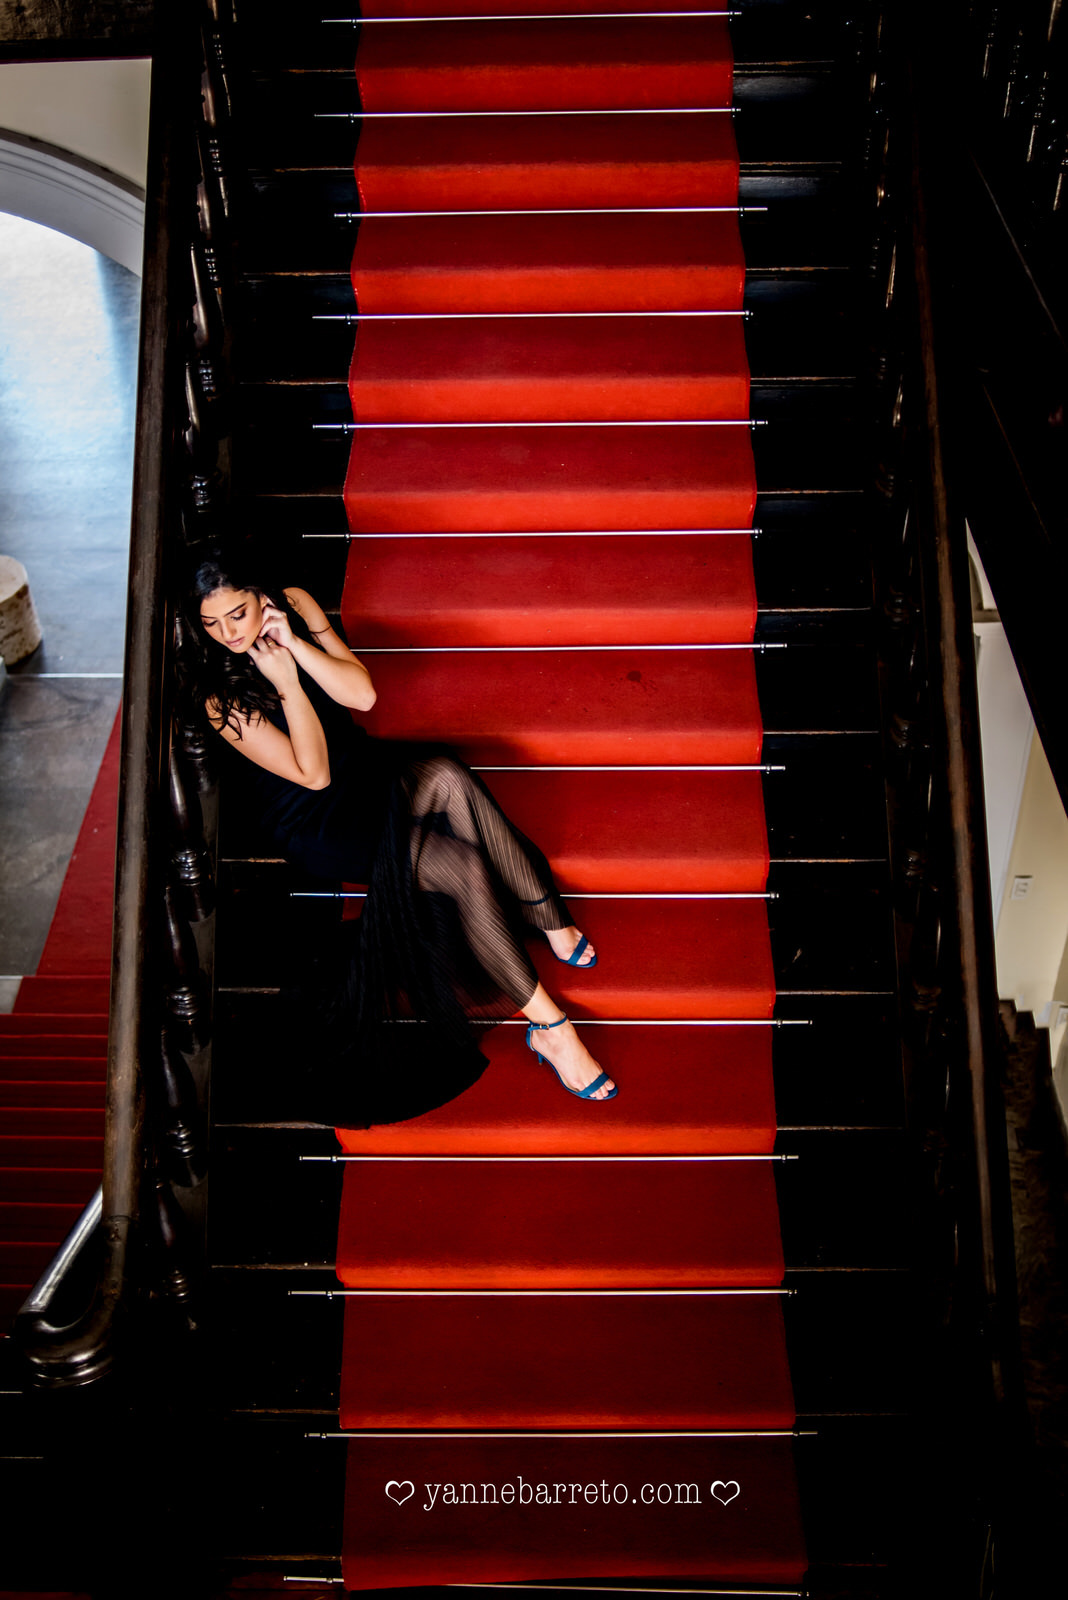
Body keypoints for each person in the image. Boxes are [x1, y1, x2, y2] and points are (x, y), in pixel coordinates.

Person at [178, 544, 617, 1128]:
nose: (229, 633)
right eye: (211, 624)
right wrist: (285, 683)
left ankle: (547, 916)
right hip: (313, 819)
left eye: (238, 613)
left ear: (261, 597)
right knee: (457, 866)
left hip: (358, 772)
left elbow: (362, 695)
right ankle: (551, 1027)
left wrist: (296, 648)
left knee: (446, 774)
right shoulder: (219, 696)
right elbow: (313, 774)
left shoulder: (296, 605)